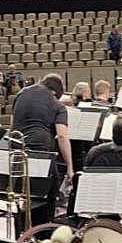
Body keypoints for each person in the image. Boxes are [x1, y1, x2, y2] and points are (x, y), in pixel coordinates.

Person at [10, 73, 74, 224]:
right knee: (50, 192)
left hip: (18, 152)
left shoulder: (22, 93)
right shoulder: (57, 105)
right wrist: (70, 168)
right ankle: (43, 232)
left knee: (25, 195)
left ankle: (22, 233)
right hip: (41, 154)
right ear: (55, 93)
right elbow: (62, 137)